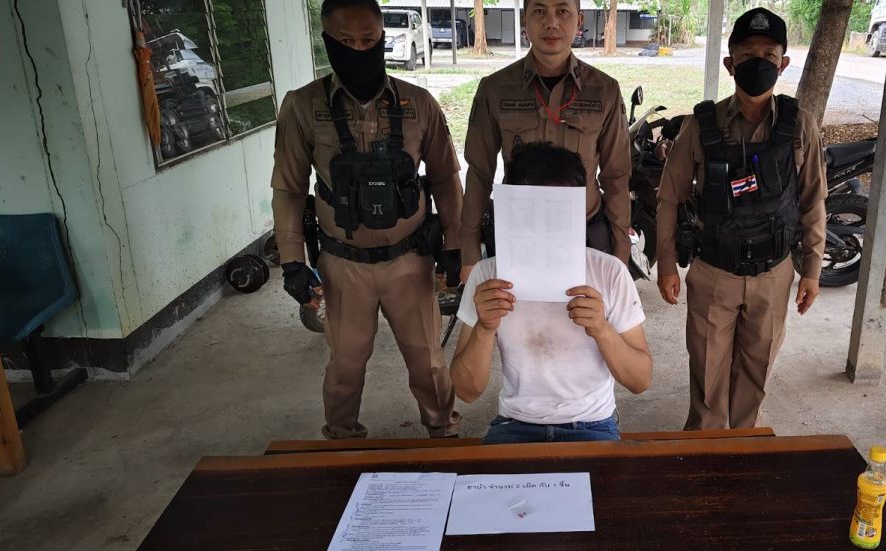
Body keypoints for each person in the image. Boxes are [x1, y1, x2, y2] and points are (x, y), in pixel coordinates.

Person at [270, 0, 463, 439]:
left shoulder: (419, 104)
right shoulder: (302, 106)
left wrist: (455, 245)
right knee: (345, 364)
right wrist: (292, 260)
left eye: (368, 40)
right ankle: (342, 440)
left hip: (410, 261)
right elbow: (289, 189)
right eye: (346, 41)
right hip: (344, 264)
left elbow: (446, 179)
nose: (359, 49)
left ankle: (443, 434)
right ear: (327, 42)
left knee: (429, 361)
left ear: (381, 38)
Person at [654, 7, 827, 431]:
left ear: (783, 64)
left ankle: (745, 446)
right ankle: (705, 448)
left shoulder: (800, 126)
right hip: (715, 272)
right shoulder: (701, 125)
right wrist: (666, 265)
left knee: (756, 373)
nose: (758, 63)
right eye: (748, 55)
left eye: (769, 56)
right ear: (731, 64)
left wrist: (812, 270)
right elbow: (669, 198)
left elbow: (813, 201)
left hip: (774, 273)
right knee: (707, 376)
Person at [451, 142, 652, 445]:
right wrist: (484, 328)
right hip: (515, 424)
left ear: (580, 208)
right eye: (530, 206)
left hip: (592, 424)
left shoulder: (609, 272)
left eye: (557, 208)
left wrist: (601, 329)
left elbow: (640, 380)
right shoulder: (488, 277)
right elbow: (466, 391)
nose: (543, 220)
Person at [459, 0, 632, 285]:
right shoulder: (495, 89)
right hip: (518, 238)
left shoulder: (604, 91)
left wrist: (620, 253)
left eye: (562, 11)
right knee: (517, 314)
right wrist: (469, 253)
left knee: (587, 313)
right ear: (524, 19)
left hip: (585, 234)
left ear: (579, 20)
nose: (551, 22)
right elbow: (479, 173)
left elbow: (617, 176)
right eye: (539, 11)